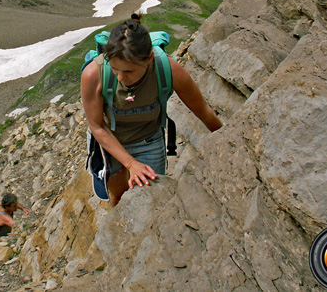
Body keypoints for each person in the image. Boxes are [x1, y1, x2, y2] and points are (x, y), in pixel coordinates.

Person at [81, 14, 223, 206]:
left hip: (148, 140)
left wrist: (224, 138)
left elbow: (202, 110)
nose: (120, 77)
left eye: (129, 71)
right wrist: (130, 163)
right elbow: (97, 126)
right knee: (117, 194)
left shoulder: (168, 69)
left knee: (152, 199)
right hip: (109, 143)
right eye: (115, 68)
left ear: (148, 59)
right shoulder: (94, 74)